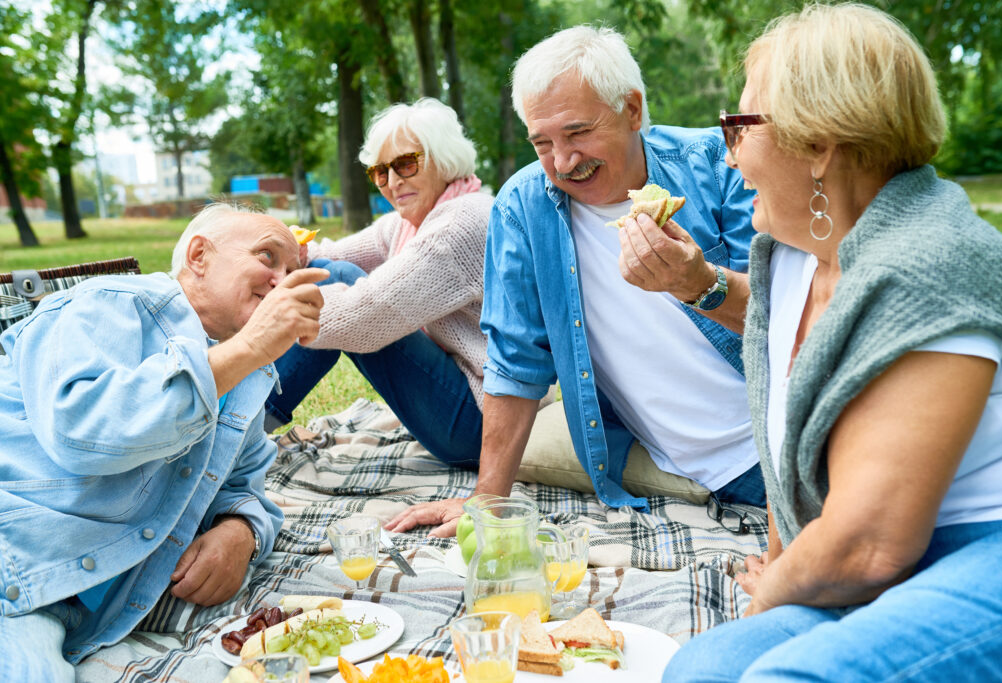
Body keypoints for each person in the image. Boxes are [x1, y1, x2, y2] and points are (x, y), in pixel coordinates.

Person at [661, 5, 1002, 681]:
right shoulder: (791, 258)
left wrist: (769, 596)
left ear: (818, 142)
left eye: (739, 127)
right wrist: (780, 556)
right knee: (698, 670)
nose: (726, 151)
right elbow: (786, 428)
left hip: (999, 543)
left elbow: (867, 546)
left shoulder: (931, 263)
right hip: (909, 556)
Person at [388, 25, 764, 538]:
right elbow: (516, 361)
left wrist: (700, 283)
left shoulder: (720, 166)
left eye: (578, 132)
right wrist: (487, 500)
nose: (563, 162)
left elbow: (790, 319)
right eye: (542, 143)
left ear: (632, 109)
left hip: (784, 442)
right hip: (695, 471)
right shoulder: (524, 207)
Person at [0, 203, 328, 681]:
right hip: (16, 569)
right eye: (267, 257)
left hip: (73, 610)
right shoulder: (109, 303)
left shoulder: (245, 376)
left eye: (294, 271)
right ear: (199, 256)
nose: (283, 280)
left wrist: (242, 533)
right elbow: (80, 429)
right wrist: (249, 348)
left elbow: (246, 486)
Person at [266, 97, 493, 468]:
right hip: (460, 401)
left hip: (483, 424)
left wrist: (265, 315)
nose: (393, 181)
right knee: (327, 271)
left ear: (443, 156)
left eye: (405, 163)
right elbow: (332, 255)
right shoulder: (414, 220)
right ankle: (249, 419)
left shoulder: (461, 223)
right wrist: (277, 255)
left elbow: (362, 317)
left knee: (332, 285)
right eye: (380, 172)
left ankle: (242, 425)